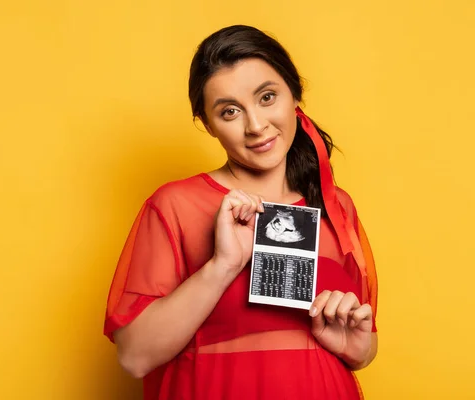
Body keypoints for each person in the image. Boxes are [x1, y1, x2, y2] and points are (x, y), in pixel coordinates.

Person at [103, 24, 379, 400]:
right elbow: (135, 357)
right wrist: (223, 266)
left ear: (294, 95)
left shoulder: (334, 204)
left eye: (267, 97)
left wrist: (354, 344)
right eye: (230, 111)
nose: (256, 125)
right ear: (208, 125)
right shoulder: (175, 205)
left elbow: (364, 351)